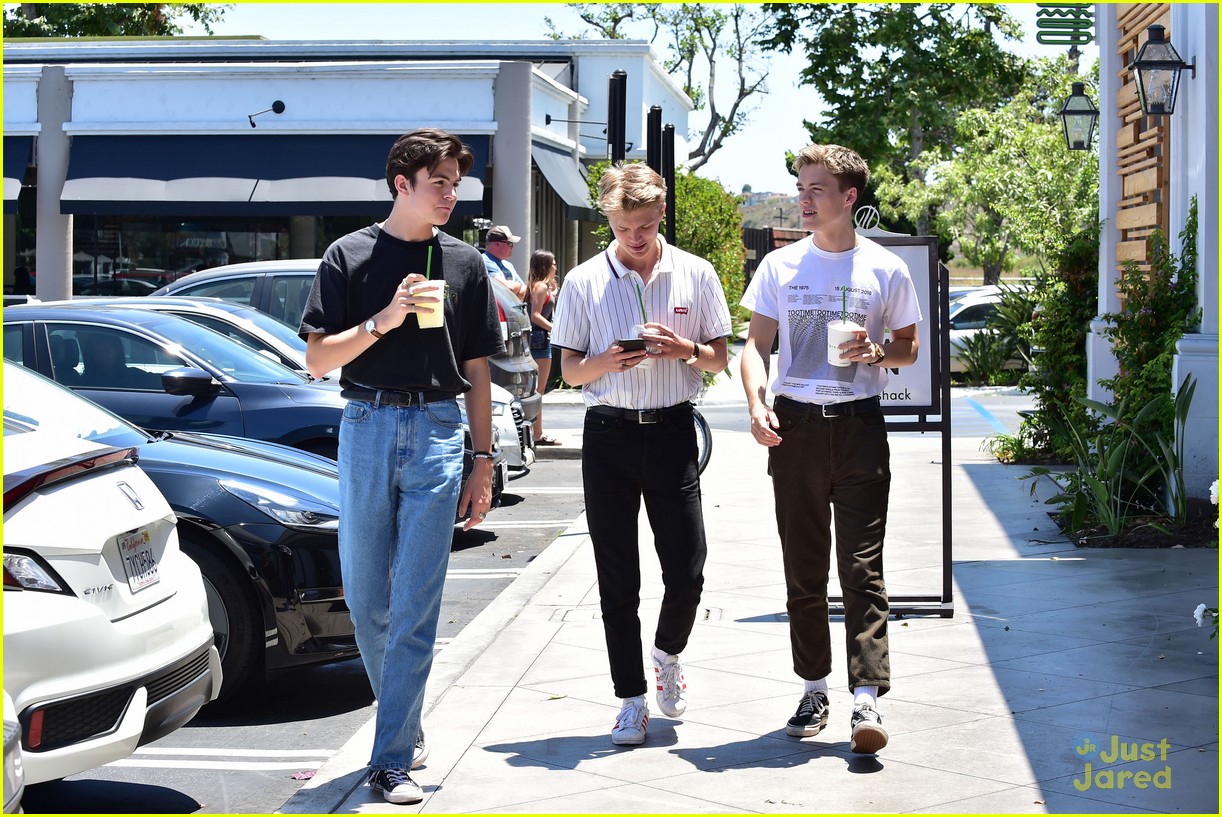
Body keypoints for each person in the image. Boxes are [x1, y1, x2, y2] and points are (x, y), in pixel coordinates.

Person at [299, 128, 505, 805]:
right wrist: (384, 320)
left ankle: (390, 759)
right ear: (402, 185)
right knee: (365, 599)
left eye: (456, 183)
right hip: (364, 423)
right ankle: (406, 722)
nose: (451, 194)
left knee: (416, 605)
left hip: (441, 430)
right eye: (439, 182)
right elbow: (318, 360)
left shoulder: (466, 264)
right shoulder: (348, 255)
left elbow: (476, 370)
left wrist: (484, 458)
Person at [739, 144, 921, 756]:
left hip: (860, 426)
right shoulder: (780, 266)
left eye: (817, 188)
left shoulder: (886, 269)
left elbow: (908, 349)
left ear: (849, 198)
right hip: (796, 425)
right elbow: (754, 348)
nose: (804, 198)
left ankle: (866, 699)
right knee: (805, 565)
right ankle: (815, 686)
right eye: (800, 187)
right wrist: (757, 402)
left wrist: (877, 354)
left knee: (863, 565)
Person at [551, 162, 732, 746]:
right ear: (609, 217)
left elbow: (718, 359)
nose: (638, 236)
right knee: (616, 577)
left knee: (687, 569)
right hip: (608, 435)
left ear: (660, 215)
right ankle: (630, 698)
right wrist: (607, 360)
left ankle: (667, 655)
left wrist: (685, 349)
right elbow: (569, 372)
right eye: (627, 226)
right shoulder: (581, 282)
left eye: (648, 224)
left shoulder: (696, 273)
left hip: (674, 428)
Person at [527, 248, 560, 446]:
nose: (556, 266)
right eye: (553, 262)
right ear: (546, 265)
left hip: (539, 342)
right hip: (540, 343)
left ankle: (536, 432)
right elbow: (535, 315)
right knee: (539, 390)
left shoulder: (541, 286)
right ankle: (537, 435)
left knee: (537, 389)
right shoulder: (539, 287)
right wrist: (554, 329)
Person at [482, 224, 528, 299]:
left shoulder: (508, 265)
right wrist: (518, 286)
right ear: (497, 244)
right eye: (509, 243)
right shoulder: (483, 261)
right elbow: (509, 288)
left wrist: (515, 288)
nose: (512, 246)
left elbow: (526, 291)